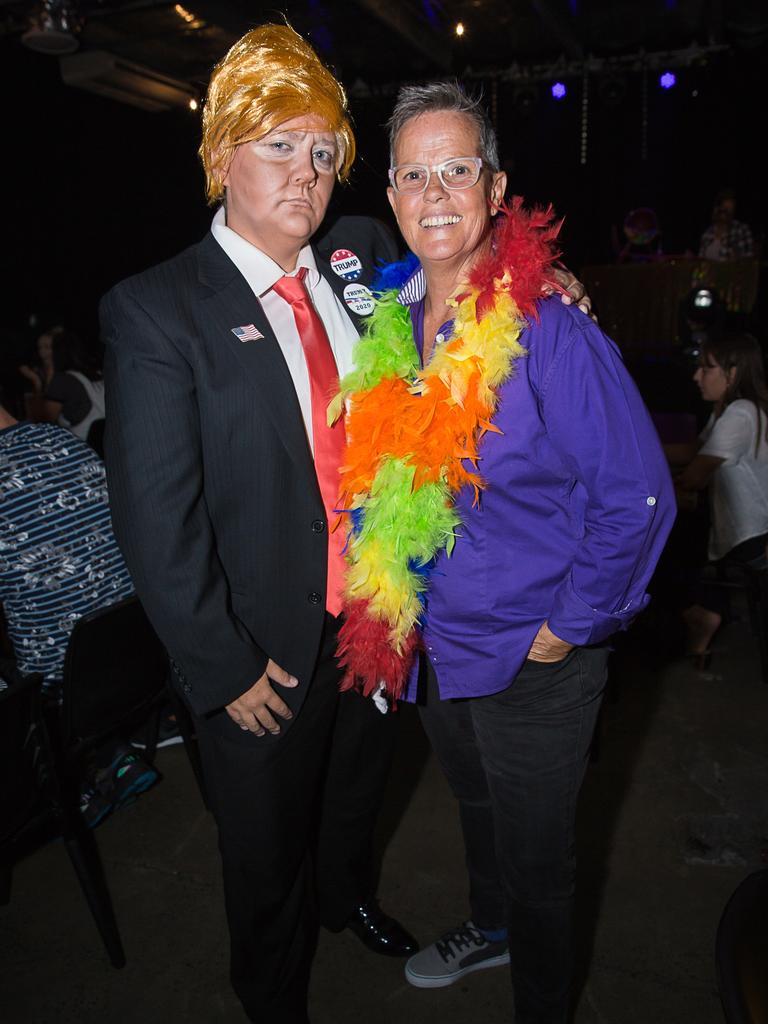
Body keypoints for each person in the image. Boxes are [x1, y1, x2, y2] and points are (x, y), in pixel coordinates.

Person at [333, 82, 675, 1022]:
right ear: (392, 197)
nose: (434, 192)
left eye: (456, 169)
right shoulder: (388, 323)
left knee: (539, 857)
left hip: (534, 657)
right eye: (413, 173)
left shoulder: (551, 330)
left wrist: (569, 626)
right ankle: (491, 927)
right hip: (434, 648)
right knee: (477, 813)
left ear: (494, 189)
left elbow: (637, 498)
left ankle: (542, 1001)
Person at [100, 24, 416, 1024]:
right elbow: (157, 521)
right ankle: (274, 995)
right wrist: (222, 667)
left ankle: (349, 896)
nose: (308, 171)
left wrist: (545, 293)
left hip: (370, 618)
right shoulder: (156, 311)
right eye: (280, 143)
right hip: (262, 653)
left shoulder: (356, 273)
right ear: (222, 152)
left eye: (323, 152)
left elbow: (442, 325)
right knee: (265, 850)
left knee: (354, 794)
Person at [0, 400, 152, 825]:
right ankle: (110, 757)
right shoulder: (59, 438)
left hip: (62, 692)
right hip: (140, 655)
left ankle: (68, 792)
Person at [673, 332, 768, 659]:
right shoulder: (728, 410)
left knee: (659, 540)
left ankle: (700, 612)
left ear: (733, 373)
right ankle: (702, 610)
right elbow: (692, 452)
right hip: (748, 531)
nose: (696, 376)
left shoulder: (740, 413)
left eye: (707, 368)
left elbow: (694, 478)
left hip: (753, 538)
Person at [19, 327, 105, 447]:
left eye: (48, 348)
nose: (43, 353)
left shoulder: (63, 381)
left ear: (58, 351)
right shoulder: (97, 372)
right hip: (105, 444)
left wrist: (36, 382)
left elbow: (40, 425)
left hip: (82, 447)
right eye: (40, 348)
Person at [698, 188, 754, 262]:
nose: (724, 214)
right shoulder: (707, 234)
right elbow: (701, 262)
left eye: (729, 210)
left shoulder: (742, 230)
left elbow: (750, 261)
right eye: (723, 209)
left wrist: (737, 260)